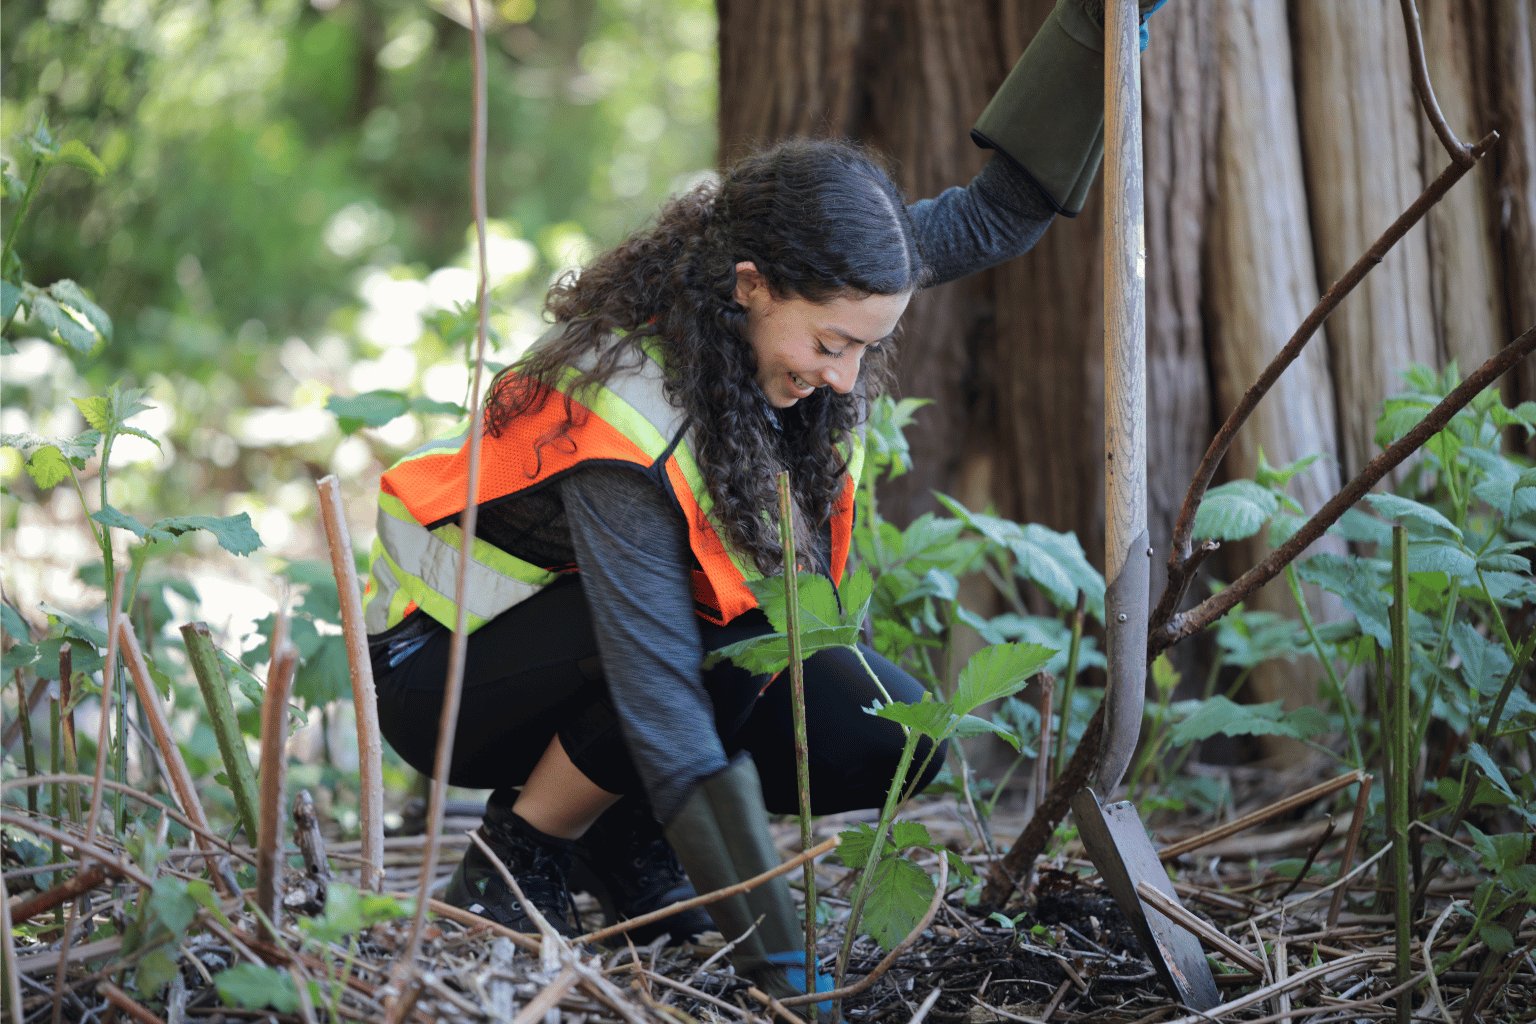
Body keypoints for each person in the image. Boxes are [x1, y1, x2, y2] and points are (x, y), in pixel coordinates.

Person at [363, 0, 1166, 1007]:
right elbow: (660, 696)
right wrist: (782, 965)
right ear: (750, 286)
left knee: (891, 729)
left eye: (867, 347)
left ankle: (621, 842)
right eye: (831, 346)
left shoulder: (835, 278)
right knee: (726, 624)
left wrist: (1100, 28)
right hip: (451, 679)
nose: (845, 375)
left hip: (595, 658)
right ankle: (516, 857)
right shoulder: (627, 412)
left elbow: (1001, 208)